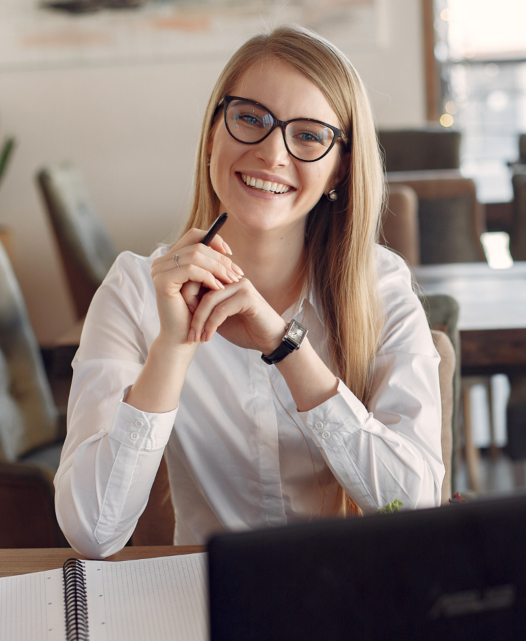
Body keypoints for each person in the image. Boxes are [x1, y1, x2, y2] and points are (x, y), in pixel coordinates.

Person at [55, 25, 444, 558]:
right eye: (250, 119)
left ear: (340, 168)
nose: (271, 152)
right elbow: (93, 534)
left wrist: (286, 347)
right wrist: (173, 346)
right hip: (206, 601)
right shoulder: (135, 290)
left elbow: (414, 510)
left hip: (350, 593)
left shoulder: (382, 288)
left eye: (308, 135)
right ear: (214, 130)